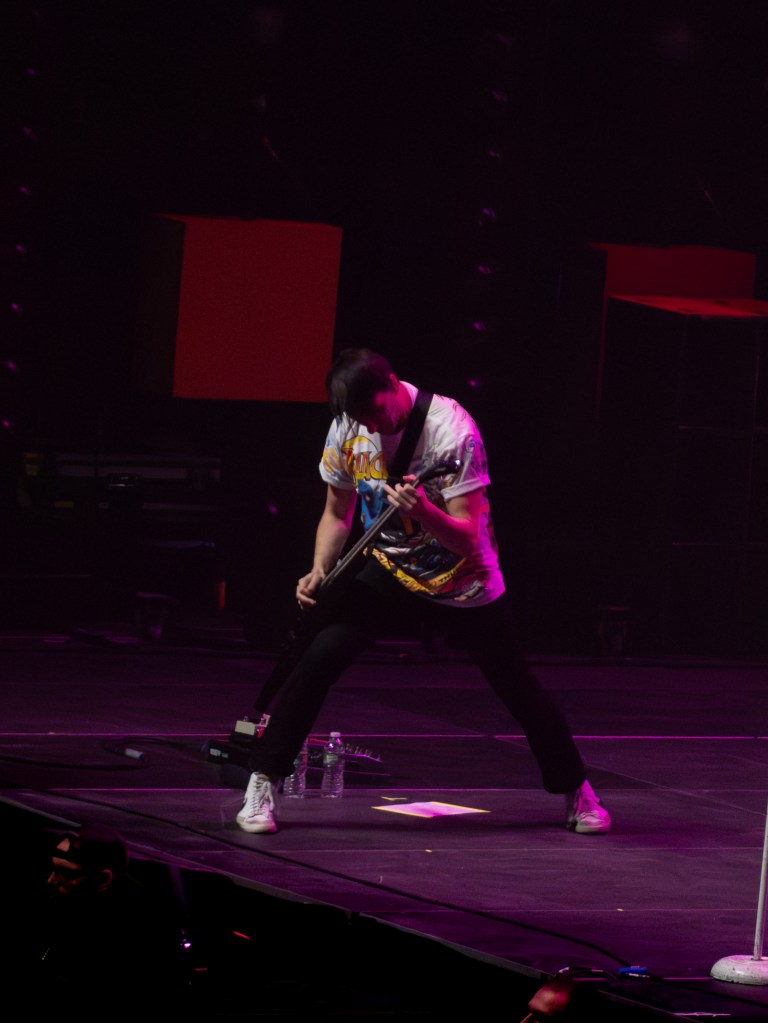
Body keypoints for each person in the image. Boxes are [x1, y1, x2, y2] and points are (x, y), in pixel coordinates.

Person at [237, 348, 610, 836]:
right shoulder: (349, 426)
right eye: (360, 419)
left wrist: (424, 512)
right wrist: (319, 570)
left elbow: (466, 536)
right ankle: (262, 780)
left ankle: (578, 790)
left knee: (518, 688)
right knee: (318, 658)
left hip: (463, 578)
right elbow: (336, 511)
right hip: (390, 567)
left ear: (393, 385)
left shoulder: (452, 430)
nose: (370, 426)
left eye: (376, 413)